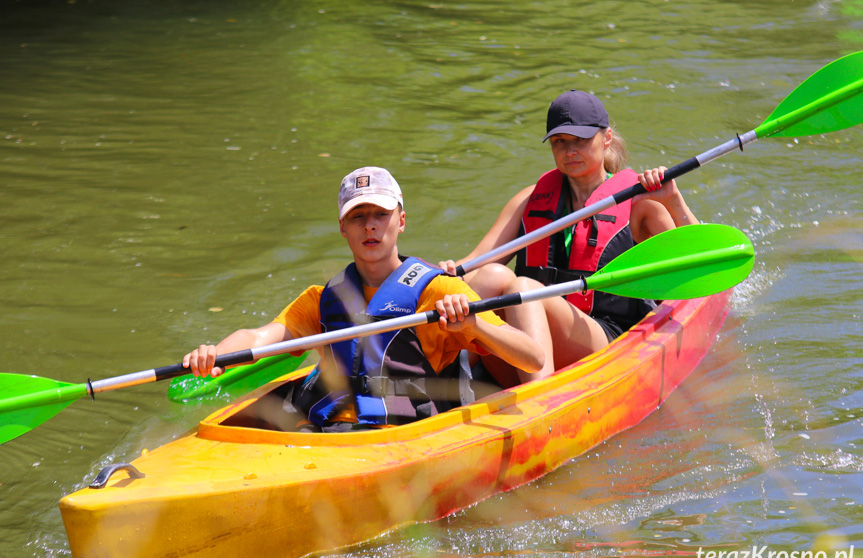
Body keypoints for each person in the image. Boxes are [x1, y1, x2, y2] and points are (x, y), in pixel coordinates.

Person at [184, 166, 544, 432]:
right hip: (330, 427)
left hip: (401, 435)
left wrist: (474, 323)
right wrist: (216, 355)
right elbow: (260, 338)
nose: (369, 226)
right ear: (343, 228)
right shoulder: (324, 298)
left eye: (380, 215)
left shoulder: (440, 291)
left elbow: (531, 358)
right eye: (357, 217)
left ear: (401, 221)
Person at [440, 90, 698, 387]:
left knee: (522, 287)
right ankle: (445, 378)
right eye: (560, 142)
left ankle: (541, 403)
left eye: (580, 140)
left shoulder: (640, 205)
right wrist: (439, 277)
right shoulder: (532, 199)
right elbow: (472, 265)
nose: (569, 151)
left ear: (607, 138)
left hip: (604, 342)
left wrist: (674, 200)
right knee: (488, 276)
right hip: (526, 346)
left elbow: (694, 266)